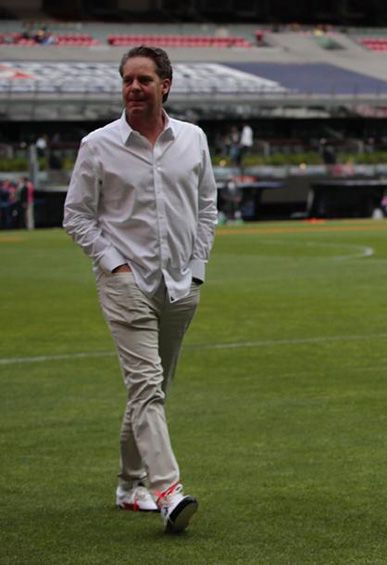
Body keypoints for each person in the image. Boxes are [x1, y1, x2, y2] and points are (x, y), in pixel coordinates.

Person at [63, 46, 215, 534]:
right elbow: (76, 215)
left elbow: (207, 206)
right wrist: (114, 265)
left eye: (144, 79)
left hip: (179, 286)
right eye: (127, 79)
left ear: (164, 85)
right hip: (125, 284)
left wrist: (196, 269)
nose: (133, 87)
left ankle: (130, 486)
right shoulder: (98, 144)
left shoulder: (192, 139)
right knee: (147, 385)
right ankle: (168, 491)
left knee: (152, 389)